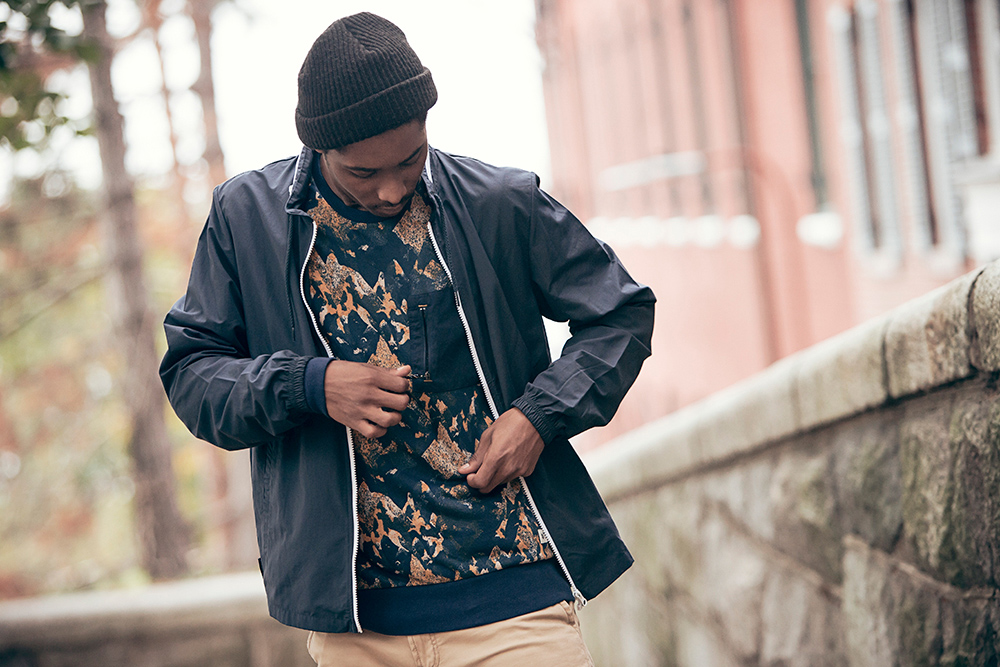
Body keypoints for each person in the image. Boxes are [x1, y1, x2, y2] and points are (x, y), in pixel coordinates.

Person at [159, 11, 654, 666]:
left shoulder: (500, 202)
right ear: (319, 147)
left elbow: (621, 314)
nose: (392, 188)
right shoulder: (246, 219)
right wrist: (310, 384)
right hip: (357, 627)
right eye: (363, 173)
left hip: (517, 602)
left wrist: (538, 416)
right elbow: (193, 377)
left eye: (410, 160)